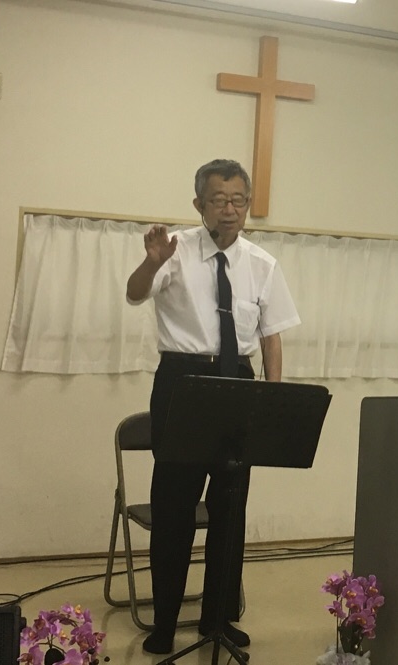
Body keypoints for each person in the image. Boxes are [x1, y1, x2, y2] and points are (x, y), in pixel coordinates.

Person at [126, 158, 300, 655]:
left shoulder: (262, 264)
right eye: (219, 200)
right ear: (199, 204)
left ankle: (217, 618)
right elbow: (135, 294)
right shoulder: (174, 250)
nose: (230, 209)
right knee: (174, 506)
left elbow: (271, 335)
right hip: (182, 382)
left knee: (230, 505)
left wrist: (271, 397)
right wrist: (151, 262)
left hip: (238, 383)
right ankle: (164, 622)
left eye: (238, 200)